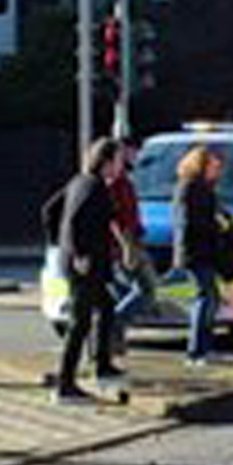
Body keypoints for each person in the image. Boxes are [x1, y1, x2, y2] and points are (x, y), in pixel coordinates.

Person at [50, 138, 126, 405]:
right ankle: (65, 384)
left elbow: (50, 210)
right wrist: (78, 253)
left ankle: (102, 365)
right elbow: (74, 221)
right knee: (79, 323)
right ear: (106, 161)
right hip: (85, 264)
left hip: (86, 262)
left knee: (107, 307)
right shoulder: (92, 186)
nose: (121, 165)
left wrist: (58, 244)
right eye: (118, 159)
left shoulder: (80, 182)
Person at [101, 134, 156, 382]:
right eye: (132, 151)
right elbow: (115, 218)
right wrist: (127, 246)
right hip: (124, 245)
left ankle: (113, 342)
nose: (136, 156)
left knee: (123, 292)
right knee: (146, 289)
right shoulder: (116, 182)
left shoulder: (124, 180)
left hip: (131, 241)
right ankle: (114, 325)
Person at [171, 145, 229, 367]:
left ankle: (203, 347)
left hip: (205, 251)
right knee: (205, 297)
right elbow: (188, 223)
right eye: (213, 166)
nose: (217, 170)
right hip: (195, 252)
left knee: (210, 298)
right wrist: (215, 225)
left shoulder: (206, 188)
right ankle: (196, 351)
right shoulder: (189, 188)